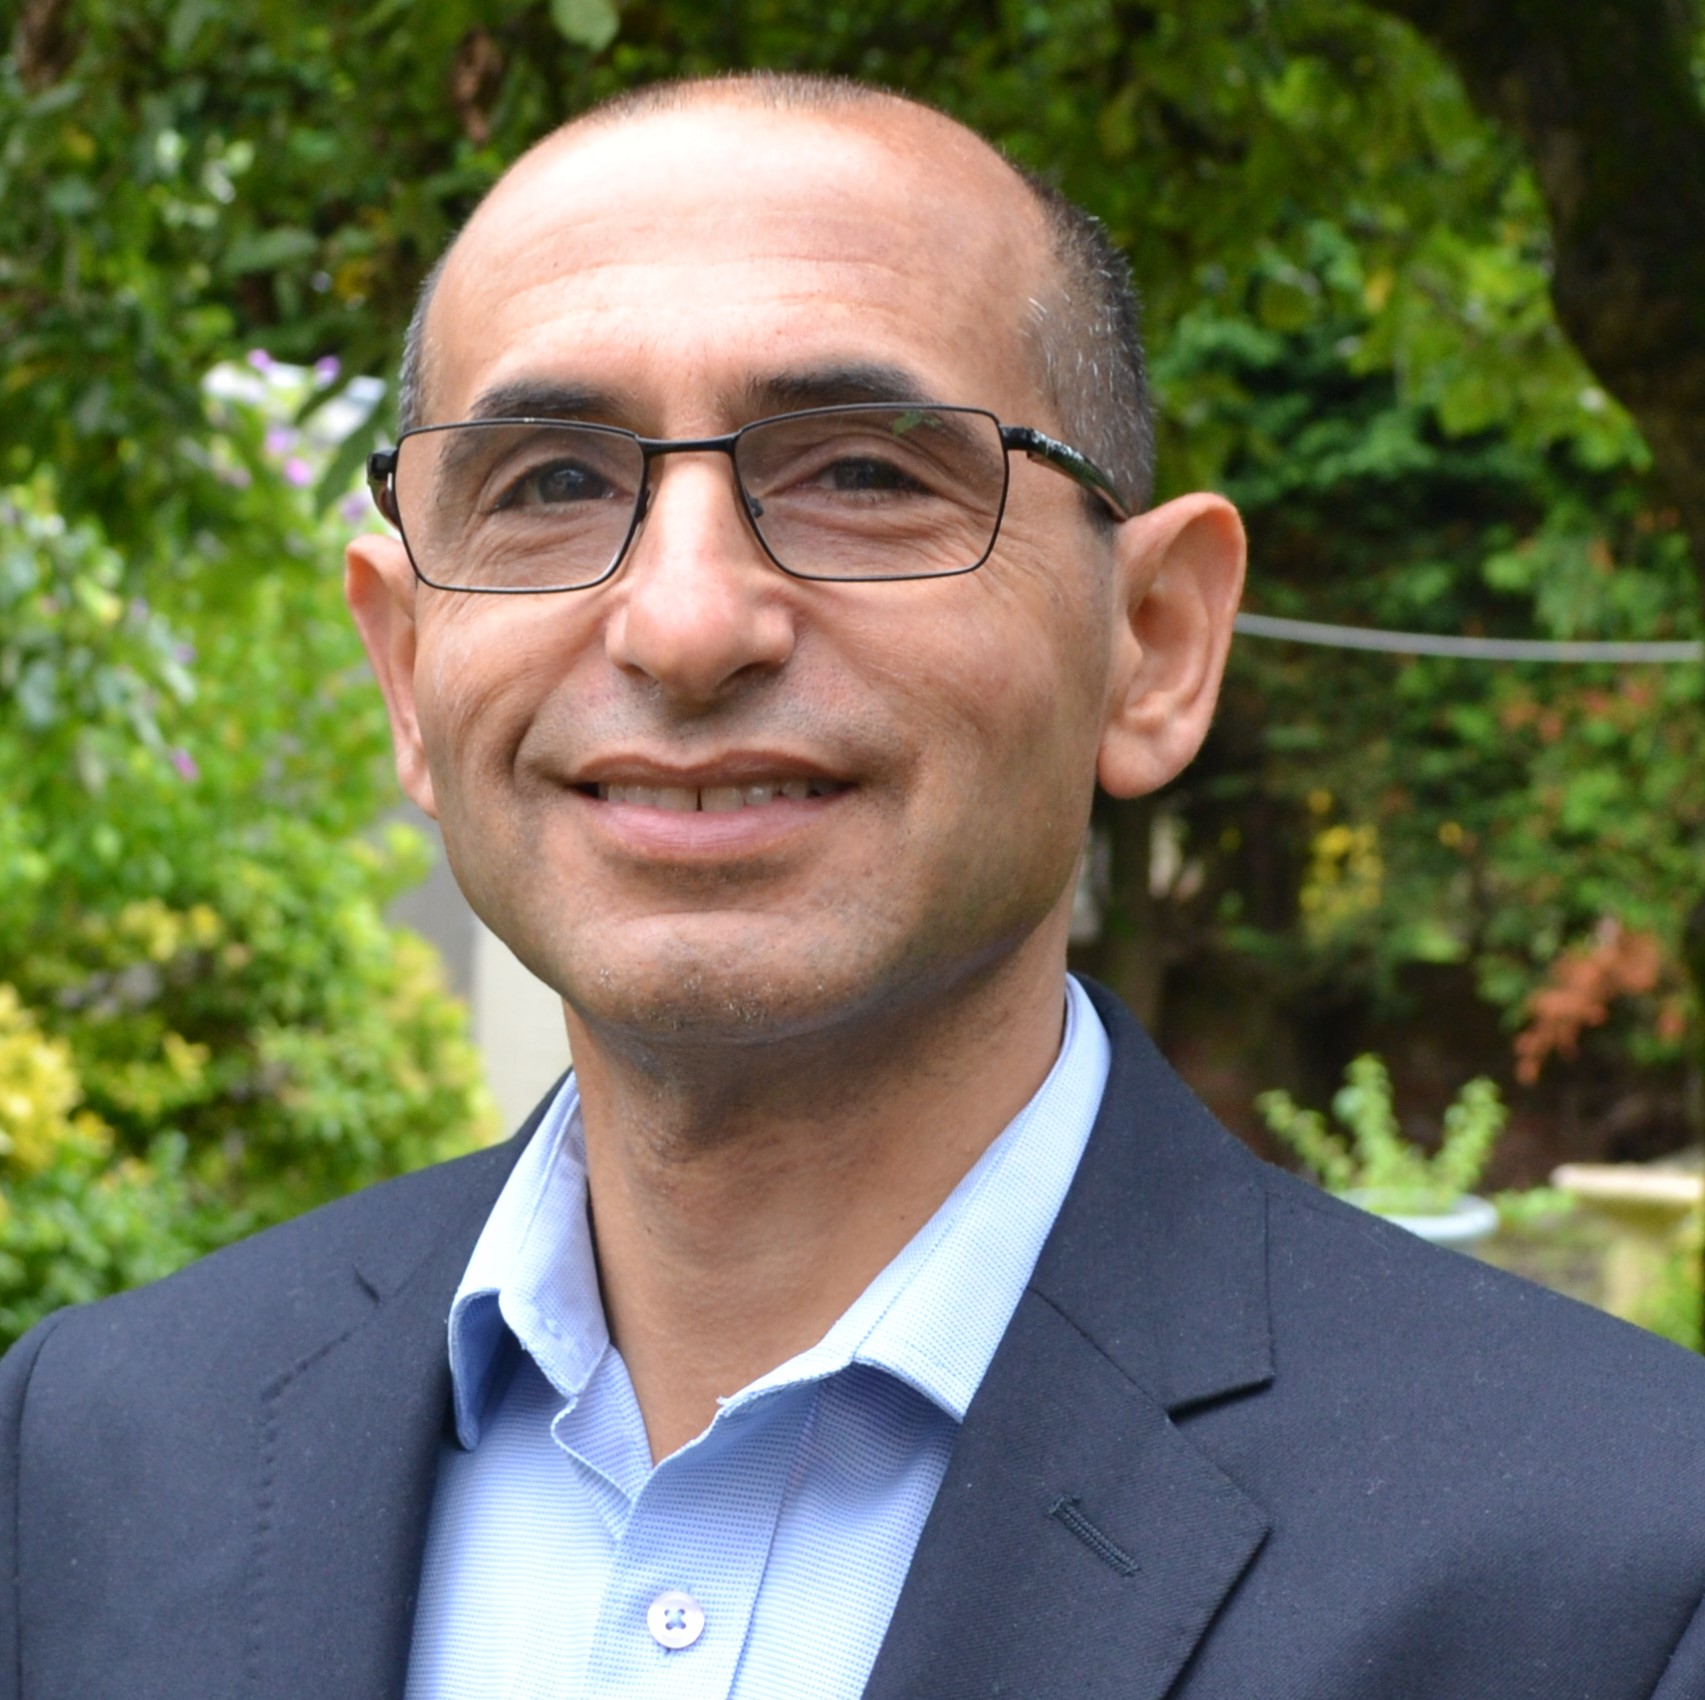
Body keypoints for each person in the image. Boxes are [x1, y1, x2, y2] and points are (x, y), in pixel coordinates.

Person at [5, 71, 1705, 1700]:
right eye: (551, 485)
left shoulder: (1619, 1566)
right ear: (404, 672)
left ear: (1153, 642)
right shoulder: (90, 1453)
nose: (683, 624)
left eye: (864, 474)